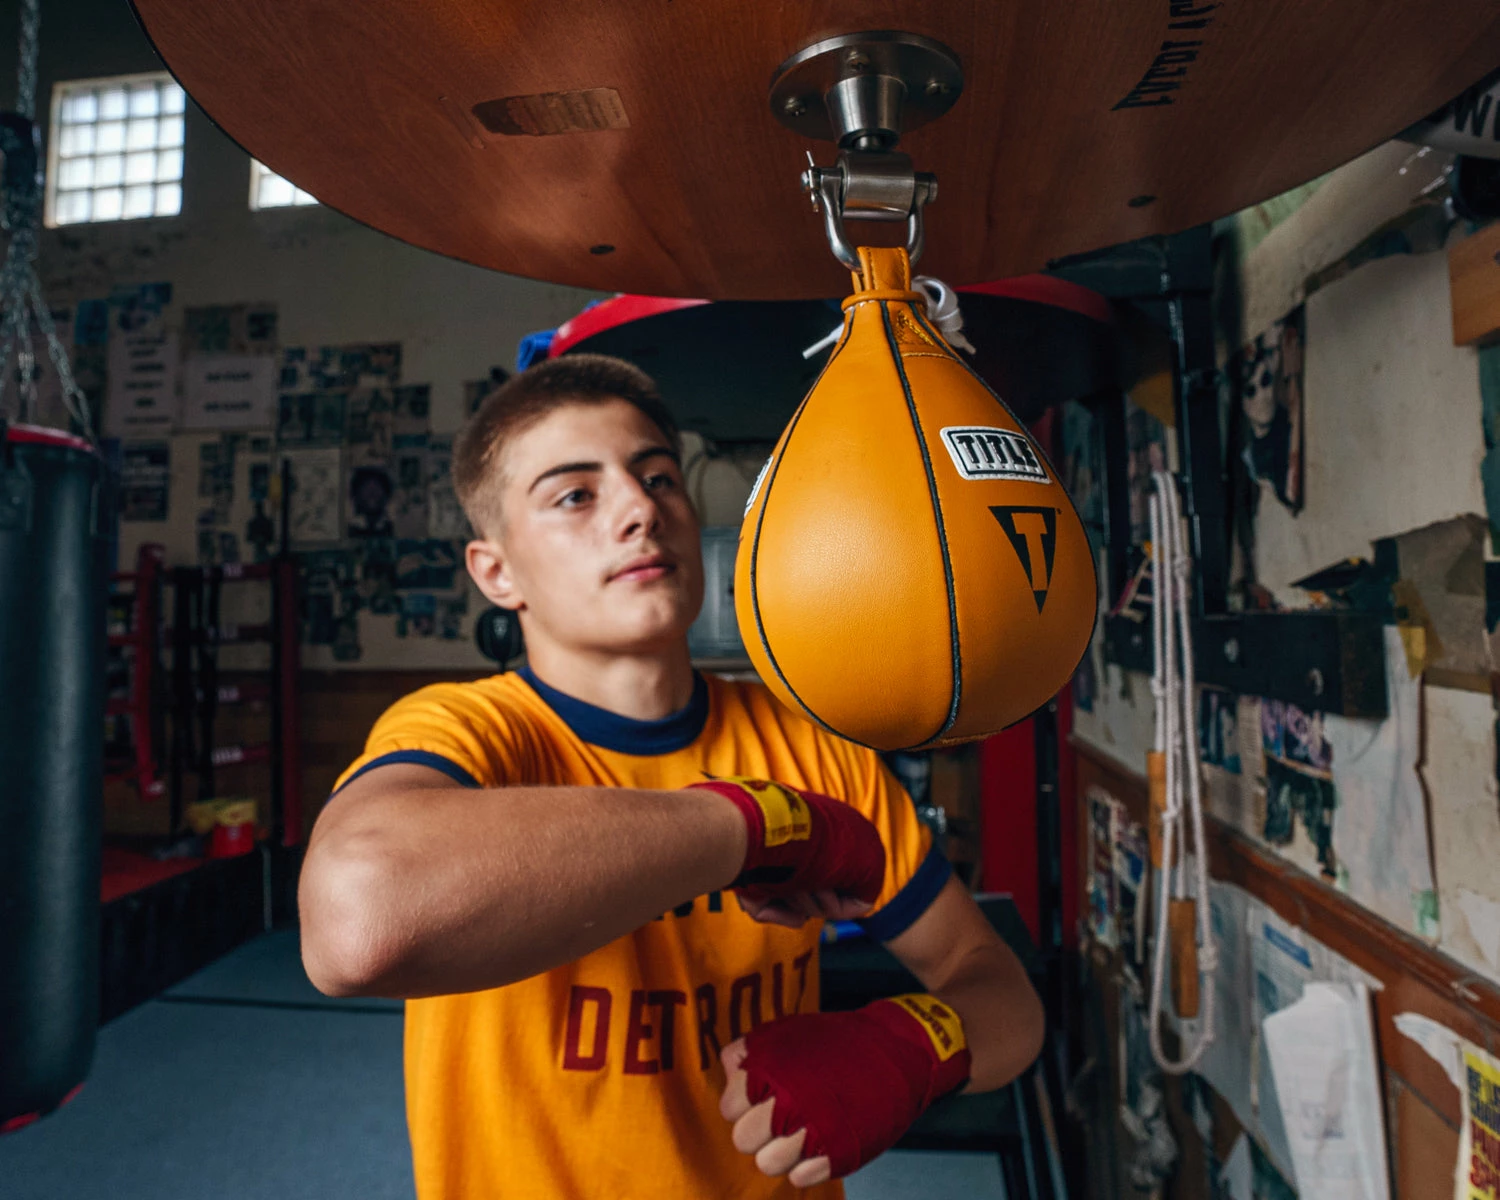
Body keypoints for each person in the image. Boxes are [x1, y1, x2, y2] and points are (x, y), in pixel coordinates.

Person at [299, 354, 1045, 1199]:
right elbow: (355, 921)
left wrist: (916, 1043)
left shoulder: (817, 753)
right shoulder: (470, 735)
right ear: (495, 572)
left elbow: (1003, 997)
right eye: (575, 494)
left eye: (657, 476)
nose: (639, 509)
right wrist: (751, 827)